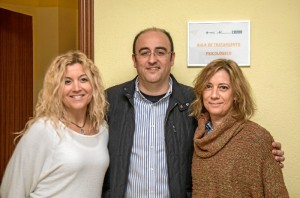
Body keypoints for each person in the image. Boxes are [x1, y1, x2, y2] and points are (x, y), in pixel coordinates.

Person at [102, 27, 285, 197]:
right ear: (134, 60)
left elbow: (226, 135)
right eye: (144, 53)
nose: (152, 59)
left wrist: (265, 154)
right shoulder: (109, 101)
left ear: (172, 58)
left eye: (160, 52)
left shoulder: (193, 102)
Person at [0, 50, 109, 197]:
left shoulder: (102, 130)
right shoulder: (44, 129)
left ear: (93, 85)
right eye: (67, 81)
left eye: (83, 79)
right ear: (56, 89)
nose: (77, 88)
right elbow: (12, 190)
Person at [191, 59, 289, 197]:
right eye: (208, 86)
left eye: (223, 87)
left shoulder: (257, 138)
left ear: (236, 94)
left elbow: (277, 193)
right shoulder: (199, 136)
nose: (213, 95)